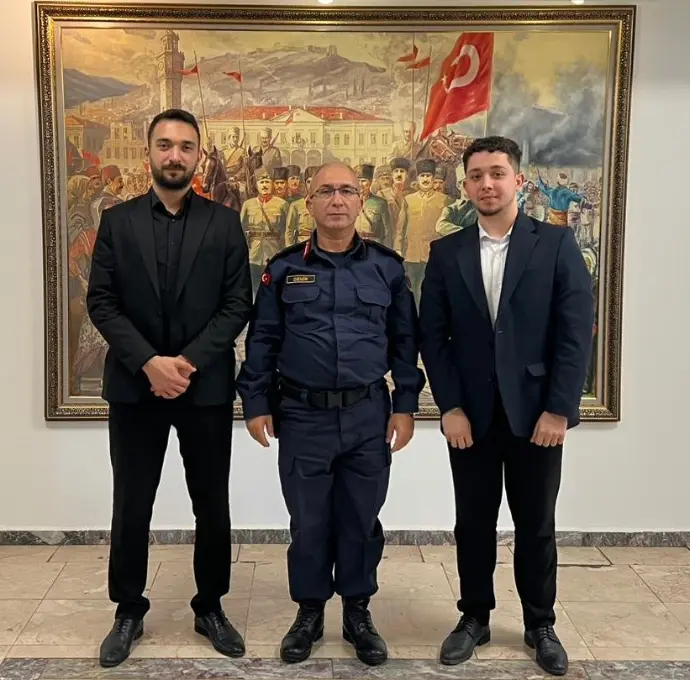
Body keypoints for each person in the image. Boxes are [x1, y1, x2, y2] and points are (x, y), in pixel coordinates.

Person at [236, 161, 425, 667]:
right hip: (303, 416)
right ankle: (310, 612)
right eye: (325, 191)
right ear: (309, 203)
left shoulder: (387, 268)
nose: (337, 200)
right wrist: (255, 403)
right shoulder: (282, 269)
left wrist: (406, 406)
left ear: (361, 200)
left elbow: (405, 342)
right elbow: (263, 340)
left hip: (367, 415)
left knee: (361, 520)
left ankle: (358, 612)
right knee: (310, 521)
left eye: (346, 191)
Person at [419, 136, 594, 677]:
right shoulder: (446, 252)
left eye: (497, 173)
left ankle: (540, 623)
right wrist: (449, 406)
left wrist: (559, 409)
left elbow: (574, 334)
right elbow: (434, 337)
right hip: (470, 417)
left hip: (537, 416)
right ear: (465, 185)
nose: (487, 184)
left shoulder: (555, 244)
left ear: (518, 180)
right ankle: (474, 617)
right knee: (472, 523)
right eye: (476, 175)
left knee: (536, 524)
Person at [86, 108, 253, 668]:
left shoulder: (224, 223)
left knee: (212, 502)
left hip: (204, 389)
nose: (175, 155)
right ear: (149, 153)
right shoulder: (117, 221)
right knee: (132, 502)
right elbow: (102, 302)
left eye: (185, 146)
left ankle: (211, 606)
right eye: (165, 145)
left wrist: (183, 364)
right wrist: (149, 364)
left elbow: (237, 304)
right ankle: (128, 609)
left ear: (198, 155)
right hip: (135, 389)